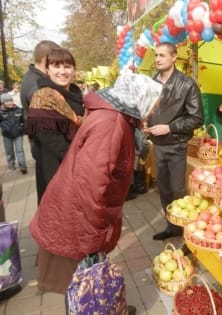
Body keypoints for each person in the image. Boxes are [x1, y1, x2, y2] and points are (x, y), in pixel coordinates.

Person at [29, 72, 162, 309]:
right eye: (153, 102)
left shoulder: (115, 117)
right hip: (79, 217)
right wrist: (93, 235)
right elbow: (90, 183)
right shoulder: (112, 123)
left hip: (78, 213)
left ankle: (103, 306)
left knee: (83, 280)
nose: (153, 110)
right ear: (139, 98)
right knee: (80, 283)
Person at [146, 42, 204, 241]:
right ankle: (172, 226)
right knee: (163, 188)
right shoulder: (151, 83)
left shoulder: (187, 84)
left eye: (162, 55)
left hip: (176, 144)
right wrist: (146, 122)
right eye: (156, 55)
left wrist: (169, 127)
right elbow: (149, 109)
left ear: (174, 57)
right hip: (157, 145)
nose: (158, 59)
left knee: (178, 190)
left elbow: (197, 118)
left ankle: (187, 234)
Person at [26, 47, 85, 204]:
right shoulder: (43, 96)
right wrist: (78, 160)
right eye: (56, 66)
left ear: (74, 69)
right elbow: (51, 140)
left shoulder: (77, 94)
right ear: (47, 70)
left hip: (81, 167)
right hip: (55, 167)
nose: (62, 71)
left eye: (67, 66)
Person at [20, 40, 60, 129]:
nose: (60, 61)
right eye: (57, 58)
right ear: (46, 59)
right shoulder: (39, 86)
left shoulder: (31, 75)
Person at [0, 94, 27, 173]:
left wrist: (23, 127)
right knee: (9, 151)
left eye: (11, 100)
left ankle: (23, 166)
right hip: (7, 135)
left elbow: (23, 121)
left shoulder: (19, 110)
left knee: (20, 150)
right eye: (7, 101)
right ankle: (11, 164)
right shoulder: (1, 112)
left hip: (18, 134)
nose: (10, 103)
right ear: (3, 103)